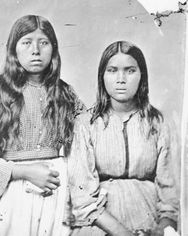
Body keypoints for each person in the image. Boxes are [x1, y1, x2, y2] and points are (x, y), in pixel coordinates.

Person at [0, 15, 85, 236]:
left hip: (58, 196)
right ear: (14, 50)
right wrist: (25, 172)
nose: (36, 50)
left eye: (43, 43)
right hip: (13, 198)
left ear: (54, 49)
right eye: (26, 42)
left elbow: (88, 143)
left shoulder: (66, 94)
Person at [68, 41, 179, 236]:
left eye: (129, 71)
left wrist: (161, 230)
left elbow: (170, 193)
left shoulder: (157, 123)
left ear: (141, 76)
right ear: (102, 76)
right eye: (112, 70)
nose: (121, 79)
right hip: (99, 224)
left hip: (148, 220)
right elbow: (82, 196)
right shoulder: (85, 124)